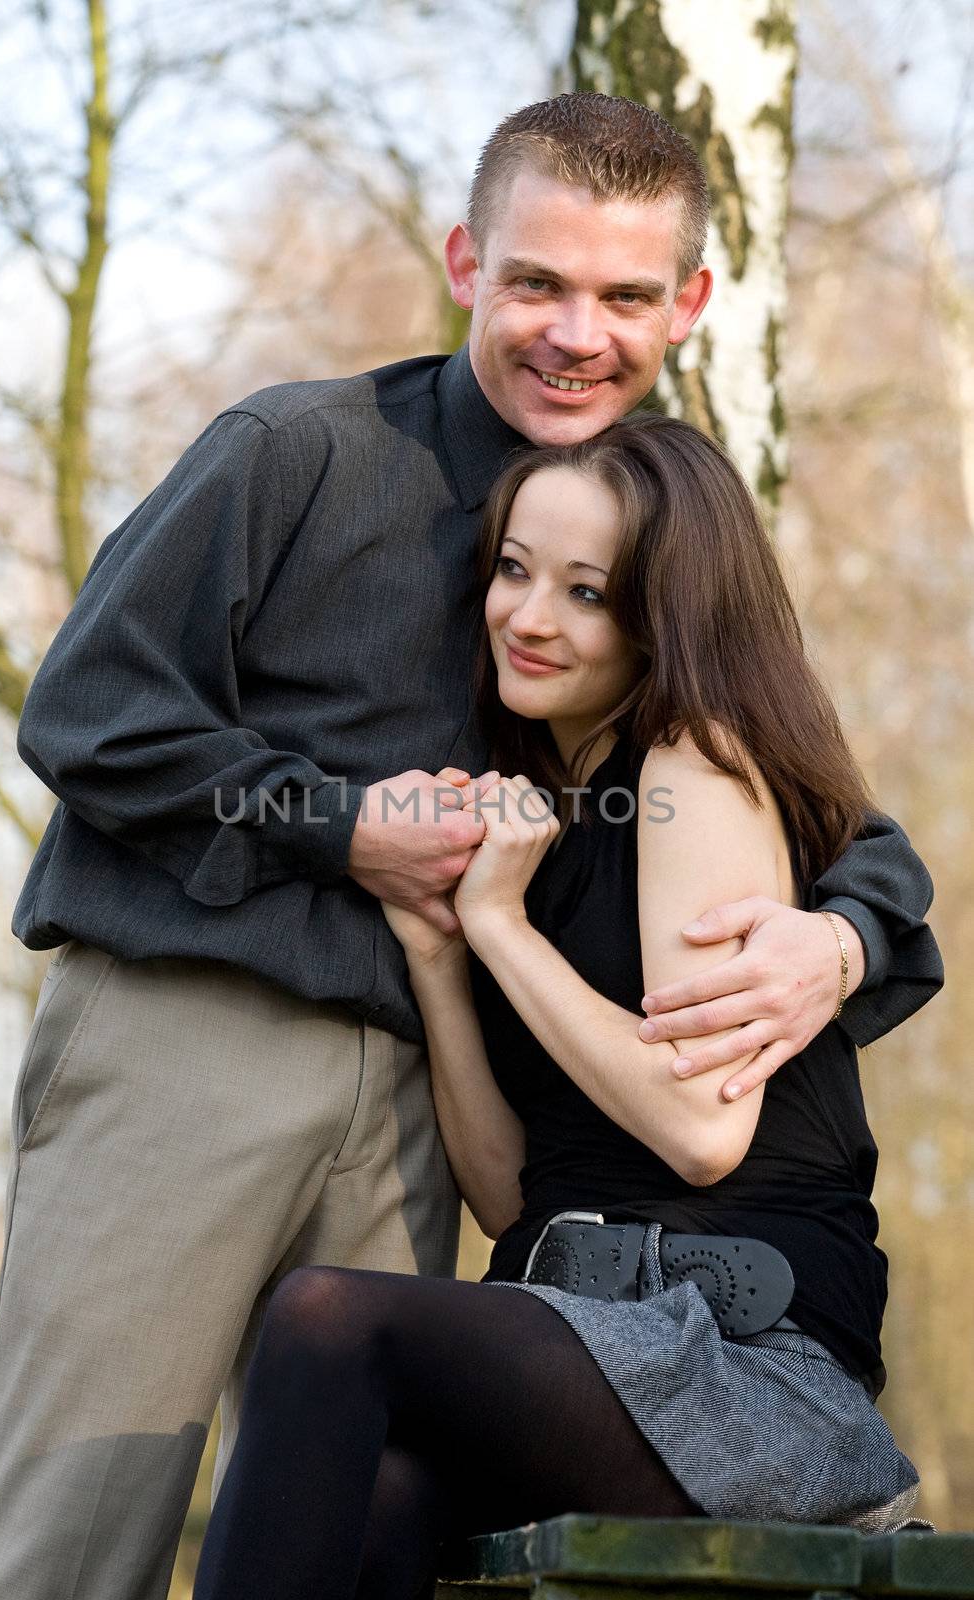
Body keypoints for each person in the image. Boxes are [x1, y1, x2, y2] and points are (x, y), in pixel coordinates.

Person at [0, 95, 942, 1600]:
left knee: (369, 1531)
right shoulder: (296, 451)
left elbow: (796, 789)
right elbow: (90, 712)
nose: (572, 333)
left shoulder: (664, 527)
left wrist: (848, 930)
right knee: (74, 1540)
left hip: (447, 1093)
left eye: (620, 296)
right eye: (536, 282)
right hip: (205, 1034)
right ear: (465, 259)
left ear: (685, 306)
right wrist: (344, 833)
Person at [191, 413, 938, 1600]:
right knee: (378, 1503)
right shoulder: (546, 817)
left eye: (586, 592)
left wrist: (499, 928)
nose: (527, 617)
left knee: (328, 1318)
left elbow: (701, 1132)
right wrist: (442, 952)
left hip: (748, 1367)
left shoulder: (694, 768)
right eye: (512, 570)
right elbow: (507, 1193)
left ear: (663, 617)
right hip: (585, 1335)